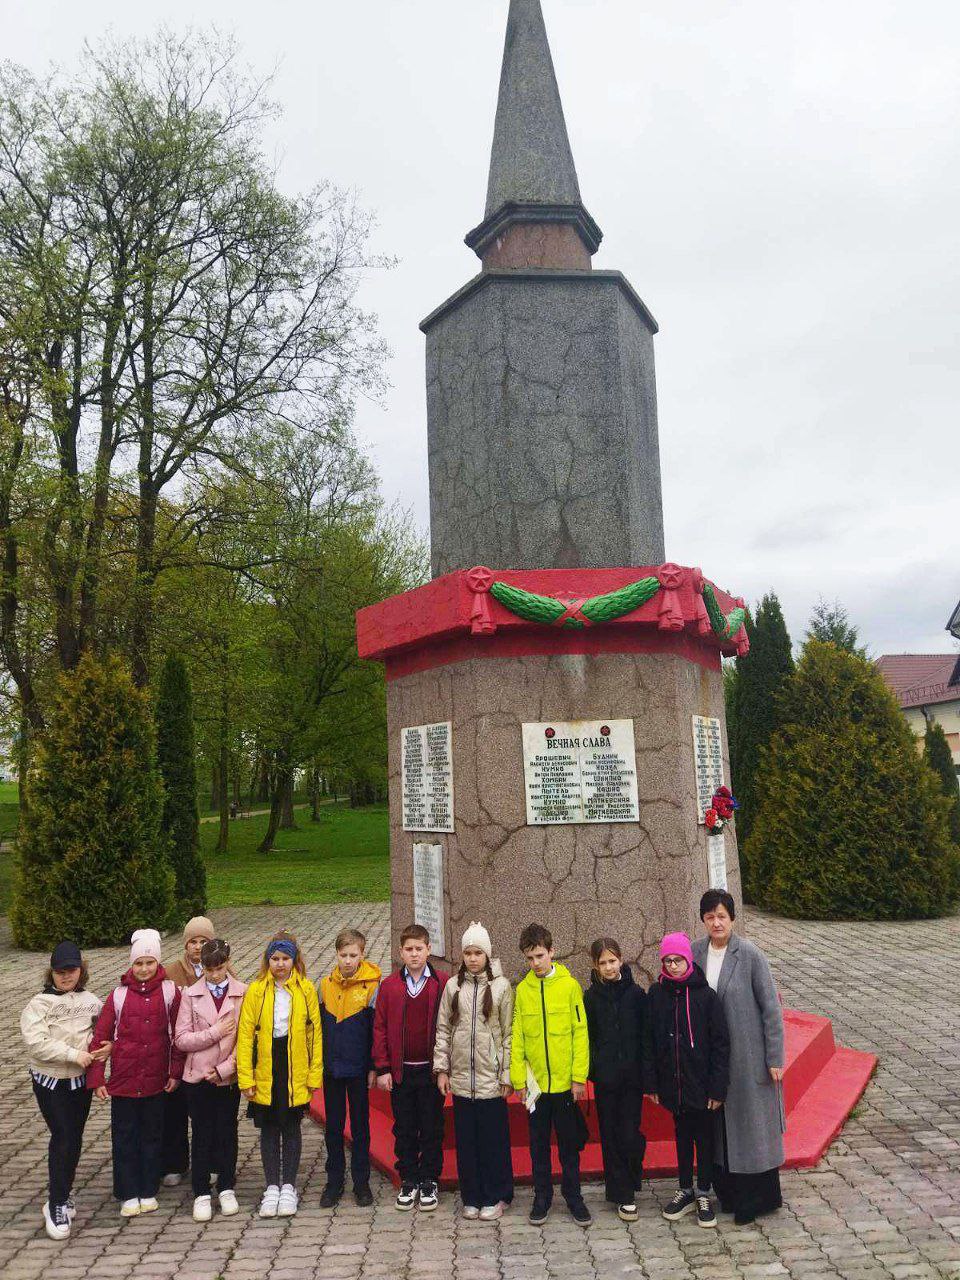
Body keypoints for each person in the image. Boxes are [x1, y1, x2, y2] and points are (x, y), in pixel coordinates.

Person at [692, 888, 785, 1225]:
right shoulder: (695, 952)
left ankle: (756, 1199)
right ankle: (727, 1195)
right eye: (710, 916)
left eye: (722, 916)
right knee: (720, 1130)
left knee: (750, 1129)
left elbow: (771, 1008)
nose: (716, 922)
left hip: (748, 1057)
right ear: (702, 919)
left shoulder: (749, 954)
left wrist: (775, 1057)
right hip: (713, 1058)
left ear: (732, 918)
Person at [87, 928, 185, 1218]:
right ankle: (127, 1191)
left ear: (158, 963)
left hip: (156, 1081)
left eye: (149, 962)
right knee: (125, 1137)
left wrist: (175, 1072)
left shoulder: (170, 993)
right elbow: (100, 1038)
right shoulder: (117, 996)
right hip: (124, 1083)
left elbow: (178, 1037)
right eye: (139, 963)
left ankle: (148, 1188)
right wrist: (97, 1078)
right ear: (132, 965)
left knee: (153, 1135)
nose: (144, 969)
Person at [20, 941, 108, 1240]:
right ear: (51, 973)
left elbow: (105, 1031)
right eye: (59, 972)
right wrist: (74, 1055)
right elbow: (37, 1044)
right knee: (63, 1136)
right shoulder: (38, 1004)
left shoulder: (92, 1000)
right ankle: (55, 1203)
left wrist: (108, 1046)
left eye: (71, 971)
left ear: (81, 971)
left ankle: (65, 1191)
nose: (65, 977)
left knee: (74, 1137)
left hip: (79, 1083)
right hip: (50, 1081)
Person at [646, 931, 729, 1229]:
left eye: (678, 960)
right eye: (667, 961)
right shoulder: (657, 994)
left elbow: (720, 1043)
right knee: (681, 1136)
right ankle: (685, 1188)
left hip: (702, 1084)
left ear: (688, 960)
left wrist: (718, 1086)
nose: (673, 966)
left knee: (704, 1139)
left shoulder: (706, 997)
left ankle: (703, 1190)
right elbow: (650, 1040)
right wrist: (652, 1083)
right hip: (674, 1083)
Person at [237, 930, 322, 1219]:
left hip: (293, 1064)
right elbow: (246, 1035)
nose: (280, 964)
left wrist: (314, 1075)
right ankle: (272, 1185)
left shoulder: (306, 989)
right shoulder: (257, 990)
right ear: (267, 961)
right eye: (275, 959)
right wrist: (245, 1077)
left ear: (294, 960)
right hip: (266, 1066)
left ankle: (289, 1185)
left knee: (291, 1127)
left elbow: (315, 1035)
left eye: (285, 958)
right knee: (270, 1128)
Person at [511, 922, 591, 1228]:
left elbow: (580, 1033)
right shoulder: (523, 990)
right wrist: (519, 1080)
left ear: (552, 952)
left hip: (564, 1085)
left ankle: (574, 1196)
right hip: (537, 1087)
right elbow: (517, 1037)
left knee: (569, 1145)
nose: (535, 963)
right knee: (538, 1144)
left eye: (540, 956)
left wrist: (578, 1077)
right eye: (530, 958)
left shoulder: (570, 987)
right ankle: (542, 1196)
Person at [434, 922, 514, 1221]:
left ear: (487, 954)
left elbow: (508, 1034)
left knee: (492, 1140)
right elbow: (443, 1028)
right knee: (466, 1141)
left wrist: (506, 1075)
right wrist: (442, 1070)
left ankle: (497, 1194)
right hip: (462, 1080)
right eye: (467, 952)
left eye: (478, 952)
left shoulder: (502, 987)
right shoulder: (453, 986)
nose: (472, 958)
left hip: (490, 1079)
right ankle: (472, 1194)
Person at [372, 923, 448, 1212]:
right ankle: (409, 1178)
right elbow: (379, 1028)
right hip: (401, 1071)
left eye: (419, 949)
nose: (414, 954)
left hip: (430, 1070)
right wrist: (383, 1068)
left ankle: (429, 1178)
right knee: (404, 1126)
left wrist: (444, 1069)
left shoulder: (441, 982)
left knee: (431, 1126)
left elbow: (448, 1026)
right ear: (400, 952)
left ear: (429, 949)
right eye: (409, 949)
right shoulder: (390, 987)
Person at [173, 938, 247, 1221]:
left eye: (219, 968)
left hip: (227, 1077)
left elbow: (247, 1038)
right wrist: (215, 1032)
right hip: (198, 1077)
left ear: (227, 963)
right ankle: (201, 1191)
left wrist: (226, 1069)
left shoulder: (242, 993)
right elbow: (182, 1039)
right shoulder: (190, 995)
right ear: (201, 967)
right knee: (202, 1132)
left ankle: (226, 1185)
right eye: (209, 969)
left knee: (227, 1130)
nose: (215, 974)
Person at [582, 937, 649, 1222]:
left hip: (632, 1079)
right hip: (607, 1080)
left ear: (621, 960)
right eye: (603, 963)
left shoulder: (636, 994)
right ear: (595, 966)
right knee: (611, 1136)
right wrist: (595, 1069)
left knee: (630, 1134)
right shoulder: (591, 997)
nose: (609, 967)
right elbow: (589, 1037)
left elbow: (645, 1037)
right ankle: (622, 1194)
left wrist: (646, 1074)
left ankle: (631, 1177)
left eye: (612, 961)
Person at [318, 927, 381, 1208]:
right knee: (333, 1127)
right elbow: (318, 1029)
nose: (347, 960)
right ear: (336, 954)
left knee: (360, 1127)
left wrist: (373, 1067)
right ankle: (334, 1181)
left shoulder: (372, 986)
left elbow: (374, 1032)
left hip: (357, 1068)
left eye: (353, 955)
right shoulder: (324, 986)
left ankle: (361, 1182)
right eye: (343, 955)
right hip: (332, 1068)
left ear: (362, 954)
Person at [162, 915, 221, 1187]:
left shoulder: (220, 969)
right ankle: (175, 1162)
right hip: (178, 1052)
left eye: (204, 941)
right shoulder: (171, 972)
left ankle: (210, 1162)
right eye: (193, 942)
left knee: (206, 1115)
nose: (198, 947)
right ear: (185, 945)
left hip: (208, 1055)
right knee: (174, 1112)